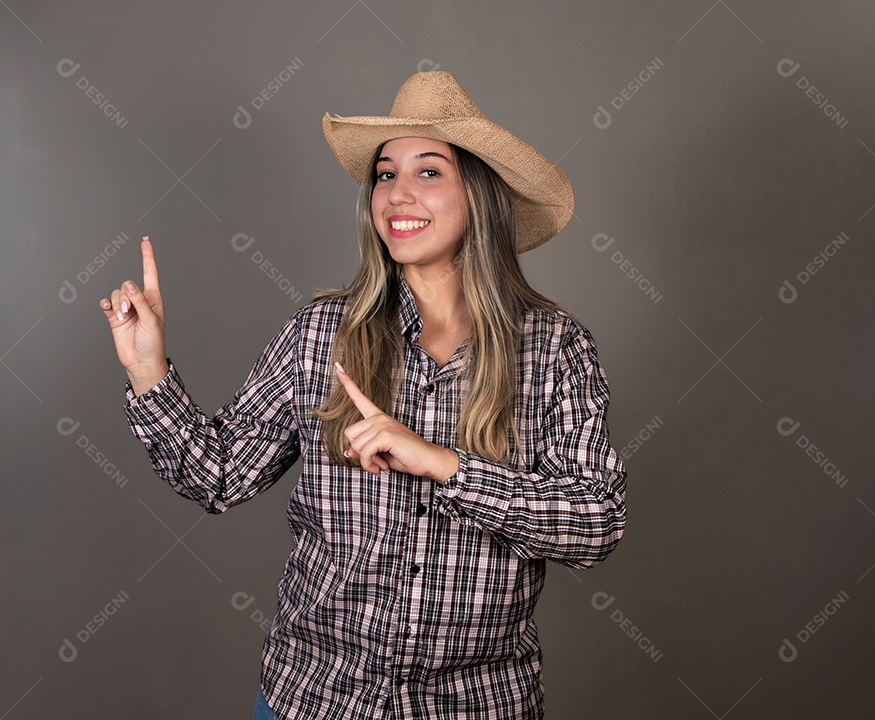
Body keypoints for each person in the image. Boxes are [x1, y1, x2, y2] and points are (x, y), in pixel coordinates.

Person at [100, 71, 626, 720]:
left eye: (428, 172)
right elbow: (219, 476)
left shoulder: (552, 347)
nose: (398, 194)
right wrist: (149, 368)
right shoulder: (322, 332)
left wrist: (442, 463)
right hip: (316, 702)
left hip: (477, 706)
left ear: (480, 194)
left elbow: (595, 525)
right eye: (385, 174)